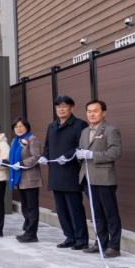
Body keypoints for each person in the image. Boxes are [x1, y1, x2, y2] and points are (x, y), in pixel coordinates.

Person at [42, 95, 90, 250]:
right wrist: (44, 156)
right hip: (55, 173)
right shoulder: (52, 126)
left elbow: (81, 146)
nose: (61, 109)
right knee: (61, 209)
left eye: (64, 106)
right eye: (58, 107)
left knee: (74, 208)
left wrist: (68, 156)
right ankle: (69, 236)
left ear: (71, 108)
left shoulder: (80, 125)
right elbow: (47, 146)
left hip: (71, 173)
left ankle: (81, 239)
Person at [77, 100, 123, 257]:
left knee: (110, 213)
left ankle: (114, 246)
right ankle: (100, 243)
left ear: (104, 112)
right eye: (89, 111)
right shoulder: (84, 132)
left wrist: (92, 155)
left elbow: (115, 152)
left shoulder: (110, 130)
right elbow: (83, 152)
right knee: (96, 213)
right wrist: (78, 155)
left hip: (104, 178)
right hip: (87, 178)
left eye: (95, 111)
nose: (91, 114)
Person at [8, 118, 43, 243]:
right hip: (20, 178)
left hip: (30, 178)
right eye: (16, 126)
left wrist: (22, 163)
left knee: (32, 207)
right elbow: (12, 157)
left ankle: (32, 233)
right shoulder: (15, 141)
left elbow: (36, 156)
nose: (18, 128)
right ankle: (28, 230)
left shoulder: (32, 139)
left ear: (27, 127)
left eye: (21, 126)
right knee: (25, 207)